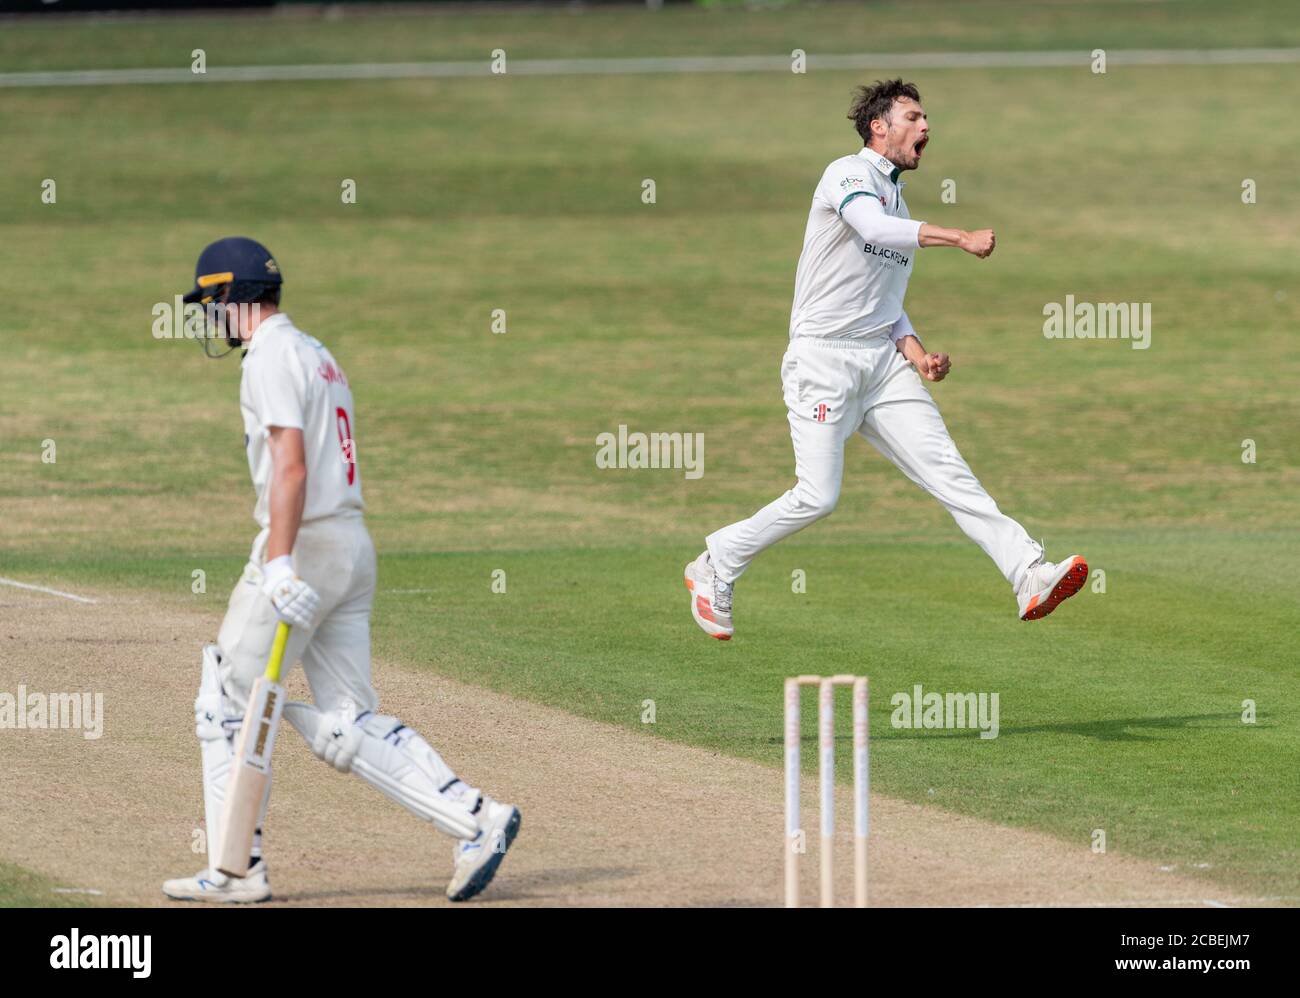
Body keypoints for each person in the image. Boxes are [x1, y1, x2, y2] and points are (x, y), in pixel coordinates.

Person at [163, 237, 520, 902]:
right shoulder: (317, 352)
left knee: (224, 703)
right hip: (352, 546)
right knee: (348, 719)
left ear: (235, 298)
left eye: (213, 303)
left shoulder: (268, 356)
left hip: (304, 546)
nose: (211, 319)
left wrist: (277, 564)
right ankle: (478, 819)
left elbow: (291, 465)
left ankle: (235, 869)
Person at [685, 80, 1086, 640]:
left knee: (951, 474)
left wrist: (918, 355)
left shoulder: (897, 198)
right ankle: (716, 562)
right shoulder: (846, 175)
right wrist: (960, 235)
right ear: (880, 126)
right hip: (823, 360)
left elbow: (886, 304)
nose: (926, 127)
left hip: (882, 363)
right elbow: (871, 228)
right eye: (914, 117)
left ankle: (1028, 573)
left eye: (926, 119)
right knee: (817, 496)